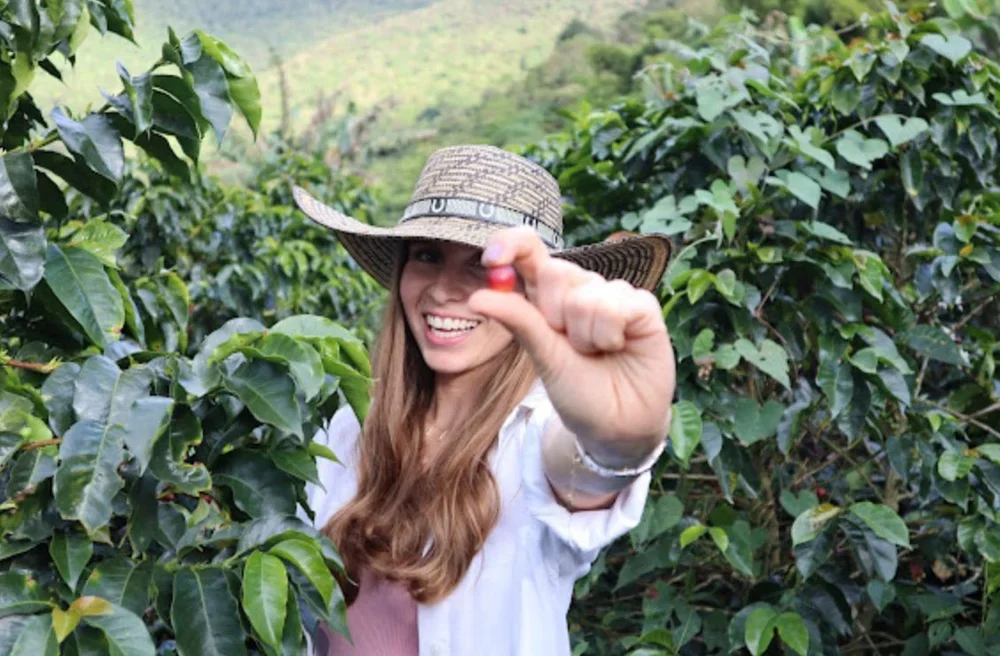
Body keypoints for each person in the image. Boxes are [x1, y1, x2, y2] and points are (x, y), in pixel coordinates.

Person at [292, 144, 677, 655]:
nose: (445, 291)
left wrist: (618, 439)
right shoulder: (348, 426)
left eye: (482, 266)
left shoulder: (534, 434)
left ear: (530, 292)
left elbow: (583, 471)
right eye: (427, 256)